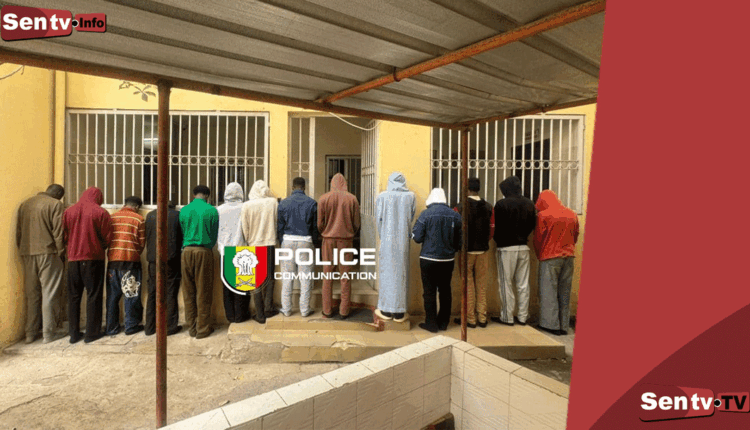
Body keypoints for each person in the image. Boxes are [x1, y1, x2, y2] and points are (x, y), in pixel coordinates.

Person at [16, 184, 66, 344]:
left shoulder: (25, 204)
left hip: (27, 252)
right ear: (58, 195)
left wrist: (23, 248)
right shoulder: (55, 204)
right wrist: (61, 252)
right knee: (49, 292)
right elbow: (58, 232)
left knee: (32, 294)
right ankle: (48, 333)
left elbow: (19, 231)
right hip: (48, 252)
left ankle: (30, 334)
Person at [63, 187, 112, 344]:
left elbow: (64, 235)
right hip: (93, 259)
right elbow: (107, 237)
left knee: (74, 297)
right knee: (93, 295)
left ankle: (73, 334)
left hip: (72, 260)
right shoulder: (101, 212)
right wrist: (99, 246)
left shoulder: (68, 212)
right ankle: (92, 333)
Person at [412, 188, 461, 333]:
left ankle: (431, 323)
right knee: (445, 291)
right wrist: (451, 249)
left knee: (429, 292)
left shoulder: (425, 214)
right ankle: (443, 323)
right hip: (447, 260)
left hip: (428, 259)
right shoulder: (455, 215)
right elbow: (459, 241)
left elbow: (417, 237)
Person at [491, 176, 536, 326]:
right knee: (523, 284)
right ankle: (523, 316)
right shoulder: (530, 203)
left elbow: (496, 227)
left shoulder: (501, 204)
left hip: (506, 248)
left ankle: (507, 317)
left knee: (506, 283)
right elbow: (532, 225)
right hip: (524, 247)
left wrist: (499, 240)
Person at [534, 190, 580, 336]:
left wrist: (539, 254)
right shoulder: (572, 214)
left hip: (550, 257)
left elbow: (538, 238)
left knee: (548, 291)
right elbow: (575, 235)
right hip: (569, 256)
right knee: (564, 291)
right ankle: (564, 325)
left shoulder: (543, 215)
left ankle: (551, 325)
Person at [317, 173, 360, 319]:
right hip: (346, 241)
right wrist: (350, 232)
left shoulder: (323, 198)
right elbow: (356, 223)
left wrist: (326, 231)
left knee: (327, 275)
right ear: (345, 183)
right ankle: (344, 311)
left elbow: (319, 224)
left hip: (328, 241)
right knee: (345, 276)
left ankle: (327, 310)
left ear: (332, 183)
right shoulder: (352, 199)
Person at [374, 172, 415, 323]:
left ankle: (386, 309)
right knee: (401, 275)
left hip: (387, 241)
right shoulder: (410, 196)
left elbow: (378, 220)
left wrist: (383, 235)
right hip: (403, 242)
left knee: (387, 275)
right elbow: (411, 217)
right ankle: (399, 312)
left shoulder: (382, 196)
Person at [453, 178, 493, 329]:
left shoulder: (460, 207)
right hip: (483, 250)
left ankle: (470, 319)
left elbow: (455, 229)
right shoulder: (489, 207)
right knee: (481, 285)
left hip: (466, 251)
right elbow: (492, 229)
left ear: (466, 189)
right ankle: (482, 317)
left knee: (467, 284)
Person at [179, 185, 219, 339]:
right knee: (204, 291)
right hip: (204, 251)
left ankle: (192, 328)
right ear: (208, 196)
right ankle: (203, 329)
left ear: (193, 194)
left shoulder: (184, 210)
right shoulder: (212, 211)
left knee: (188, 291)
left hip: (186, 252)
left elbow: (183, 231)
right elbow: (214, 235)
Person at [277, 177, 319, 317]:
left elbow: (280, 227)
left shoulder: (283, 203)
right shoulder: (312, 203)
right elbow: (315, 228)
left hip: (287, 241)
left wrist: (282, 242)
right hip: (305, 242)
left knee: (287, 277)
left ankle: (287, 309)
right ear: (304, 187)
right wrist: (314, 244)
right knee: (305, 278)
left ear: (292, 187)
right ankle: (305, 310)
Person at [105, 196, 146, 336]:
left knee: (112, 297)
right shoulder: (138, 219)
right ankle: (131, 326)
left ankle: (111, 328)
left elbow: (107, 239)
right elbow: (141, 243)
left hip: (113, 261)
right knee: (131, 295)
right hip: (131, 262)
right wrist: (134, 252)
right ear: (137, 207)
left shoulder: (112, 218)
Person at [240, 180, 279, 323]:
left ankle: (260, 313)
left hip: (254, 245)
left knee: (256, 280)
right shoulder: (273, 202)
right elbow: (277, 222)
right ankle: (268, 308)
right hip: (269, 243)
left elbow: (245, 227)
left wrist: (249, 240)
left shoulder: (246, 205)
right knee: (270, 278)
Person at [144, 201, 183, 336]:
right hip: (171, 259)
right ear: (173, 207)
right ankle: (170, 327)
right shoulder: (177, 216)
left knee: (152, 292)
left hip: (153, 260)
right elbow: (181, 237)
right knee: (171, 292)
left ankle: (150, 327)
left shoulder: (150, 216)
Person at [218, 182, 250, 323]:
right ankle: (241, 315)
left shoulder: (219, 210)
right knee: (243, 285)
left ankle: (230, 316)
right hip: (242, 250)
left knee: (227, 287)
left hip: (224, 251)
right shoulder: (245, 207)